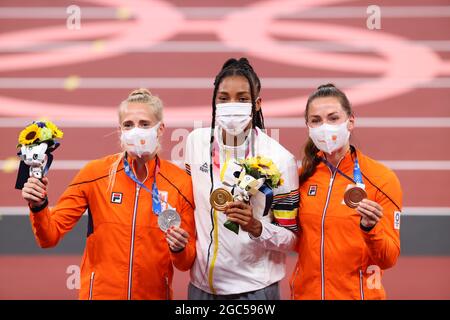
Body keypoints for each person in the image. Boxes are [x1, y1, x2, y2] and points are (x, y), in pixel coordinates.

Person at [21, 89, 196, 300]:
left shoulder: (181, 183)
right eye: (128, 125)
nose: (136, 131)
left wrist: (179, 248)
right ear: (120, 130)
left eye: (144, 124)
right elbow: (49, 237)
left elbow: (185, 263)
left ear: (160, 129)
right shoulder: (95, 174)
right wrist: (39, 206)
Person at [184, 57, 299, 300]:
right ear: (215, 102)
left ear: (257, 104)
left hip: (254, 289)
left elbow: (292, 239)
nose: (232, 105)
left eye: (242, 98)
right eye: (224, 98)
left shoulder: (279, 159)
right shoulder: (195, 143)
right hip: (201, 287)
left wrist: (256, 227)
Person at [291, 83, 402, 300]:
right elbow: (295, 242)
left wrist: (371, 229)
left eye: (333, 118)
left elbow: (389, 259)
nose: (325, 126)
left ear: (350, 121)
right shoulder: (301, 177)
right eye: (316, 120)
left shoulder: (382, 179)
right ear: (308, 126)